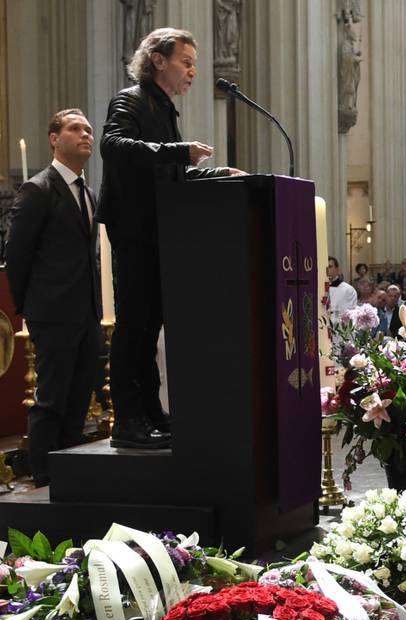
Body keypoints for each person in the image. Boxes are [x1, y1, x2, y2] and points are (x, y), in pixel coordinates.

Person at [99, 27, 243, 449]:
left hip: (159, 229)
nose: (193, 72)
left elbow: (170, 174)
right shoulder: (130, 99)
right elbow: (114, 146)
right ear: (157, 60)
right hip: (134, 228)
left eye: (195, 64)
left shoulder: (164, 109)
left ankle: (150, 412)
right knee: (134, 326)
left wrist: (217, 174)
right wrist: (178, 152)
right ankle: (128, 420)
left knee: (149, 326)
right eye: (186, 61)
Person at [5, 109, 102, 485]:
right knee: (51, 400)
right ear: (54, 138)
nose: (85, 135)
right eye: (75, 129)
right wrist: (29, 307)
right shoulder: (38, 189)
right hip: (53, 312)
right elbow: (18, 255)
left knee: (79, 398)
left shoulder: (88, 193)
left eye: (88, 130)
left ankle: (70, 471)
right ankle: (45, 475)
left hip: (87, 313)